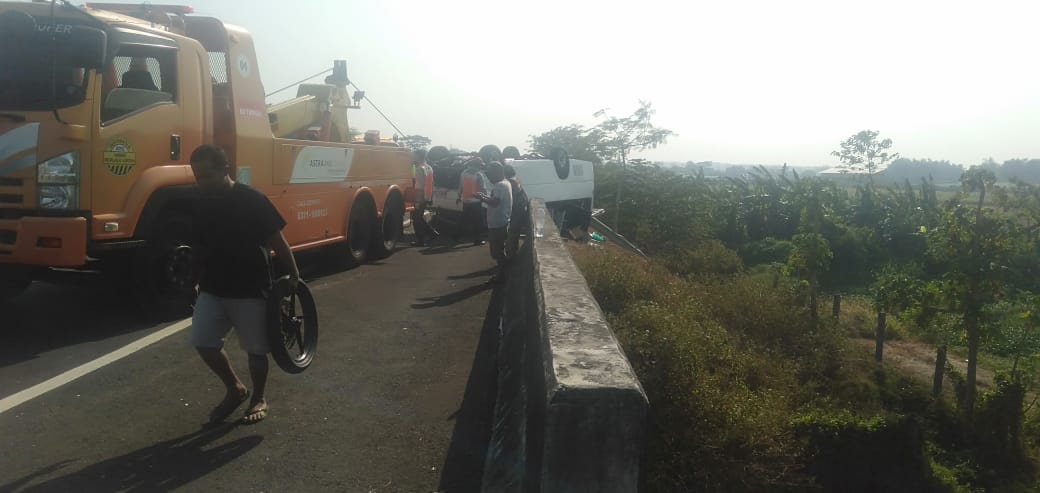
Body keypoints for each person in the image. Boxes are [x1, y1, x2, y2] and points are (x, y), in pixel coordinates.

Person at [188, 144, 300, 425]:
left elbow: (277, 241)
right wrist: (195, 278)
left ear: (226, 168)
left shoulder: (252, 200)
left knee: (256, 350)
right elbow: (199, 245)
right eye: (197, 176)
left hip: (250, 287)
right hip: (213, 287)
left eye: (207, 175)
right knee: (203, 342)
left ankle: (258, 397)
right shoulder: (200, 201)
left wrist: (294, 276)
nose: (202, 182)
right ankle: (235, 388)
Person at [475, 161, 512, 284]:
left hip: (498, 223)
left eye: (490, 173)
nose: (489, 176)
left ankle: (501, 276)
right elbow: (495, 200)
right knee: (498, 250)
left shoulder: (500, 186)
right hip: (501, 221)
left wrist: (481, 198)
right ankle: (502, 274)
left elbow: (495, 203)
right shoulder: (506, 183)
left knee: (498, 252)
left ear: (497, 172)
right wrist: (484, 196)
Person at [410, 149, 439, 246]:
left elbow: (419, 185)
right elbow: (432, 184)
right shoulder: (429, 168)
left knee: (416, 219)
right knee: (419, 217)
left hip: (420, 196)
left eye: (414, 155)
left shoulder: (419, 168)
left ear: (419, 156)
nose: (413, 157)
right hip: (427, 195)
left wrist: (417, 199)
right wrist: (430, 197)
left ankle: (421, 240)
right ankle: (432, 233)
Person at [503, 164, 530, 259]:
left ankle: (510, 256)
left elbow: (512, 199)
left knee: (512, 235)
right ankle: (513, 255)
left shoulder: (511, 183)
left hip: (515, 212)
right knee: (515, 234)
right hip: (521, 210)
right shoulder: (516, 180)